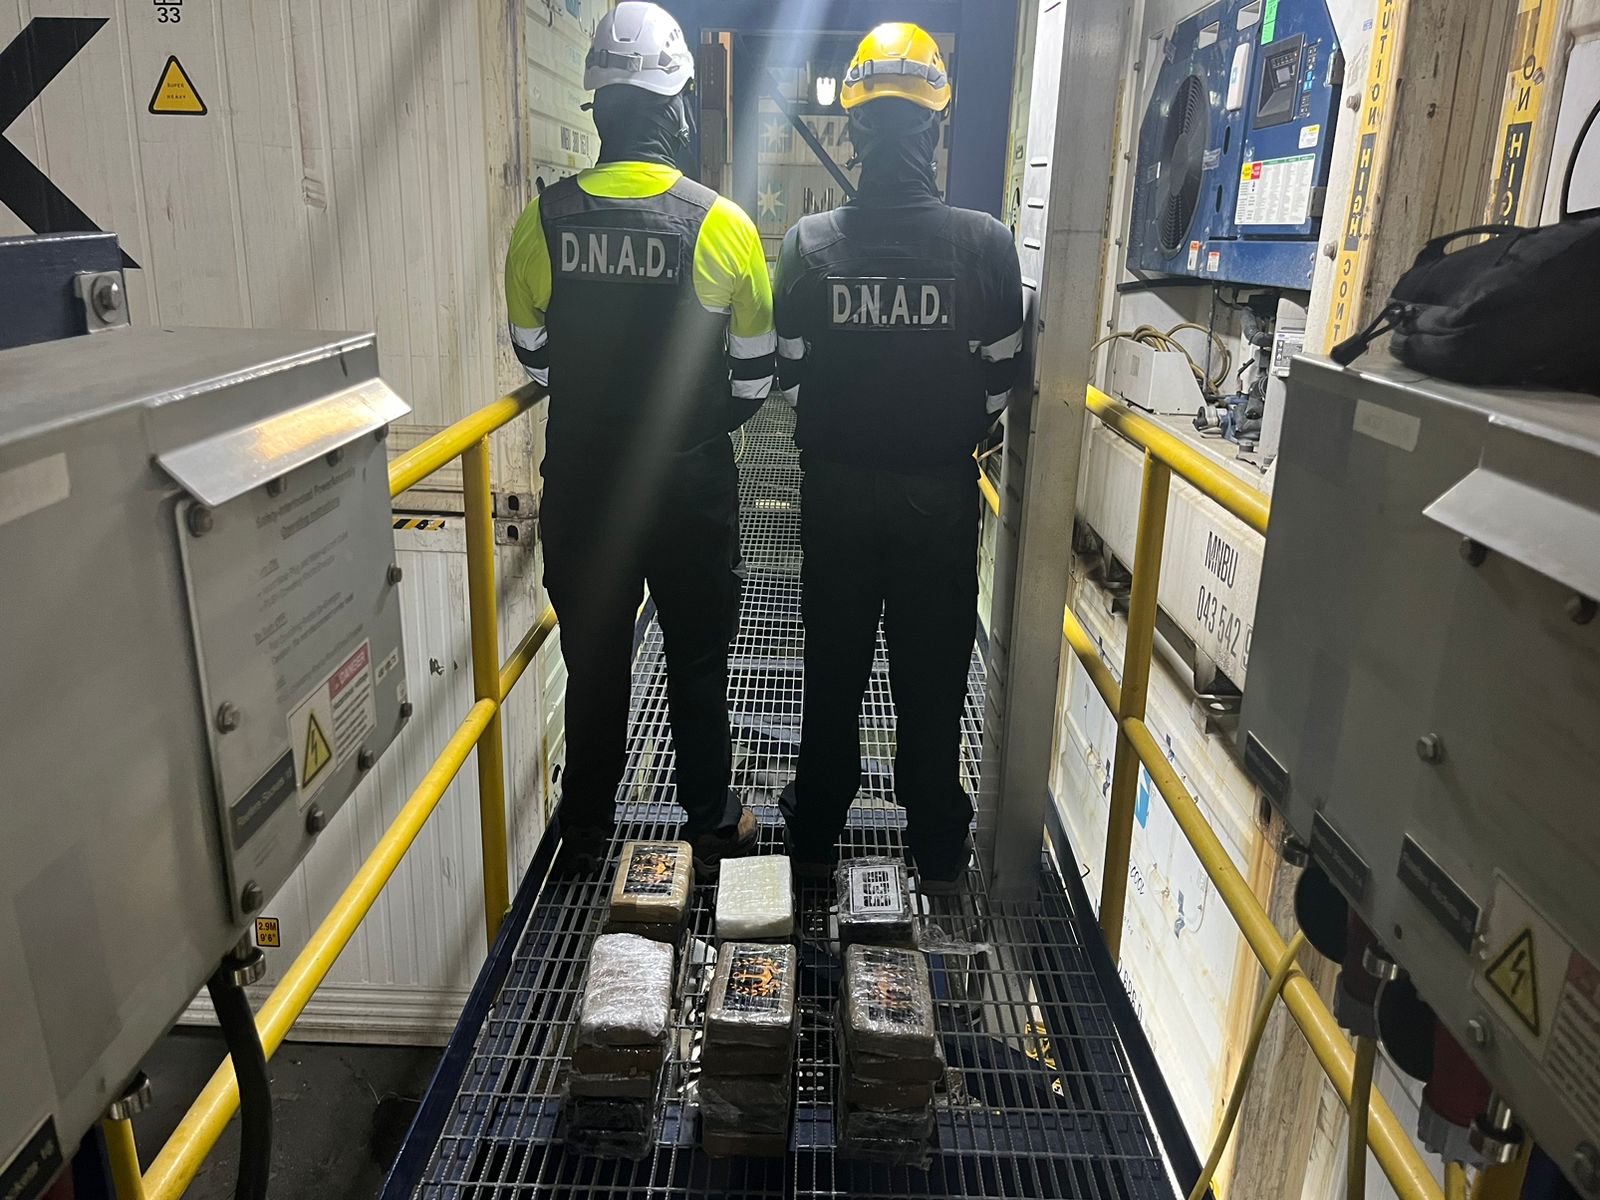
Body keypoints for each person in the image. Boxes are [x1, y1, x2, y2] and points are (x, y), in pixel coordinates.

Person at [504, 2, 773, 877]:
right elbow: (753, 381)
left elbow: (535, 356)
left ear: (601, 109)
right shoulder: (723, 224)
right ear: (678, 107)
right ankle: (711, 822)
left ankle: (587, 832)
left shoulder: (543, 221)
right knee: (696, 659)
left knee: (594, 659)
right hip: (689, 487)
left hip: (586, 483)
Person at [774, 23, 1024, 892]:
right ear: (936, 124)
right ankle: (939, 857)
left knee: (833, 671)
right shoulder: (987, 246)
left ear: (852, 126)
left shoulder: (807, 245)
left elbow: (790, 379)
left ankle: (813, 841)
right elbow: (999, 385)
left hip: (836, 495)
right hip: (938, 498)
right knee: (932, 678)